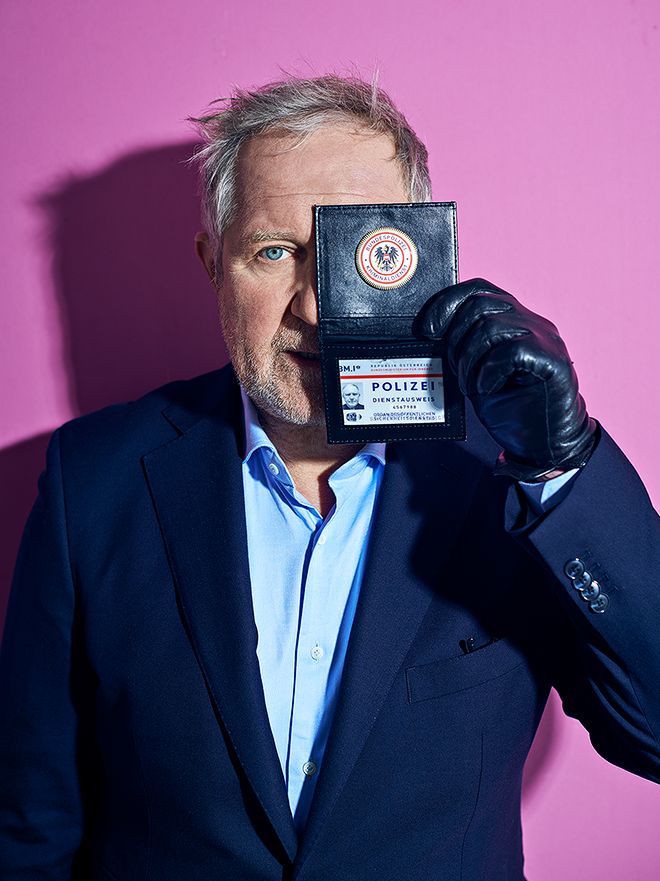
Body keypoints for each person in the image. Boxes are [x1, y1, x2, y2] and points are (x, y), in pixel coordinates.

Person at [0, 74, 658, 881]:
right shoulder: (89, 482)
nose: (314, 305)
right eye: (274, 252)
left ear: (424, 255)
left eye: (358, 251)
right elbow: (30, 827)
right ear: (214, 265)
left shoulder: (507, 476)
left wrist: (562, 463)